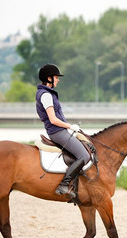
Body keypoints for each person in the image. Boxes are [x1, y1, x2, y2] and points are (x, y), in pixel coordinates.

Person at [35, 64, 91, 198]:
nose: (58, 80)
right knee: (84, 156)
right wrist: (70, 126)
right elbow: (53, 119)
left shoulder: (47, 93)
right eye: (56, 77)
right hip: (57, 132)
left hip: (59, 130)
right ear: (49, 78)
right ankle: (64, 185)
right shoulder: (46, 95)